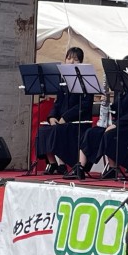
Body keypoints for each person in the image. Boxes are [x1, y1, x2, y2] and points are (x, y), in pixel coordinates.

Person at [64, 53, 128, 180]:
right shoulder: (120, 87)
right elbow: (116, 108)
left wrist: (116, 124)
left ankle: (113, 168)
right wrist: (107, 103)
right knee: (91, 133)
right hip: (117, 123)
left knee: (109, 134)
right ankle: (80, 167)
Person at [36, 47, 94, 175]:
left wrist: (65, 118)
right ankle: (53, 163)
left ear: (81, 62)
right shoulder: (63, 82)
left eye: (75, 59)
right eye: (69, 58)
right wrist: (52, 117)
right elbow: (57, 103)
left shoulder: (86, 81)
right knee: (43, 131)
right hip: (63, 121)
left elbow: (84, 105)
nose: (71, 62)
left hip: (78, 122)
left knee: (58, 130)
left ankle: (62, 165)